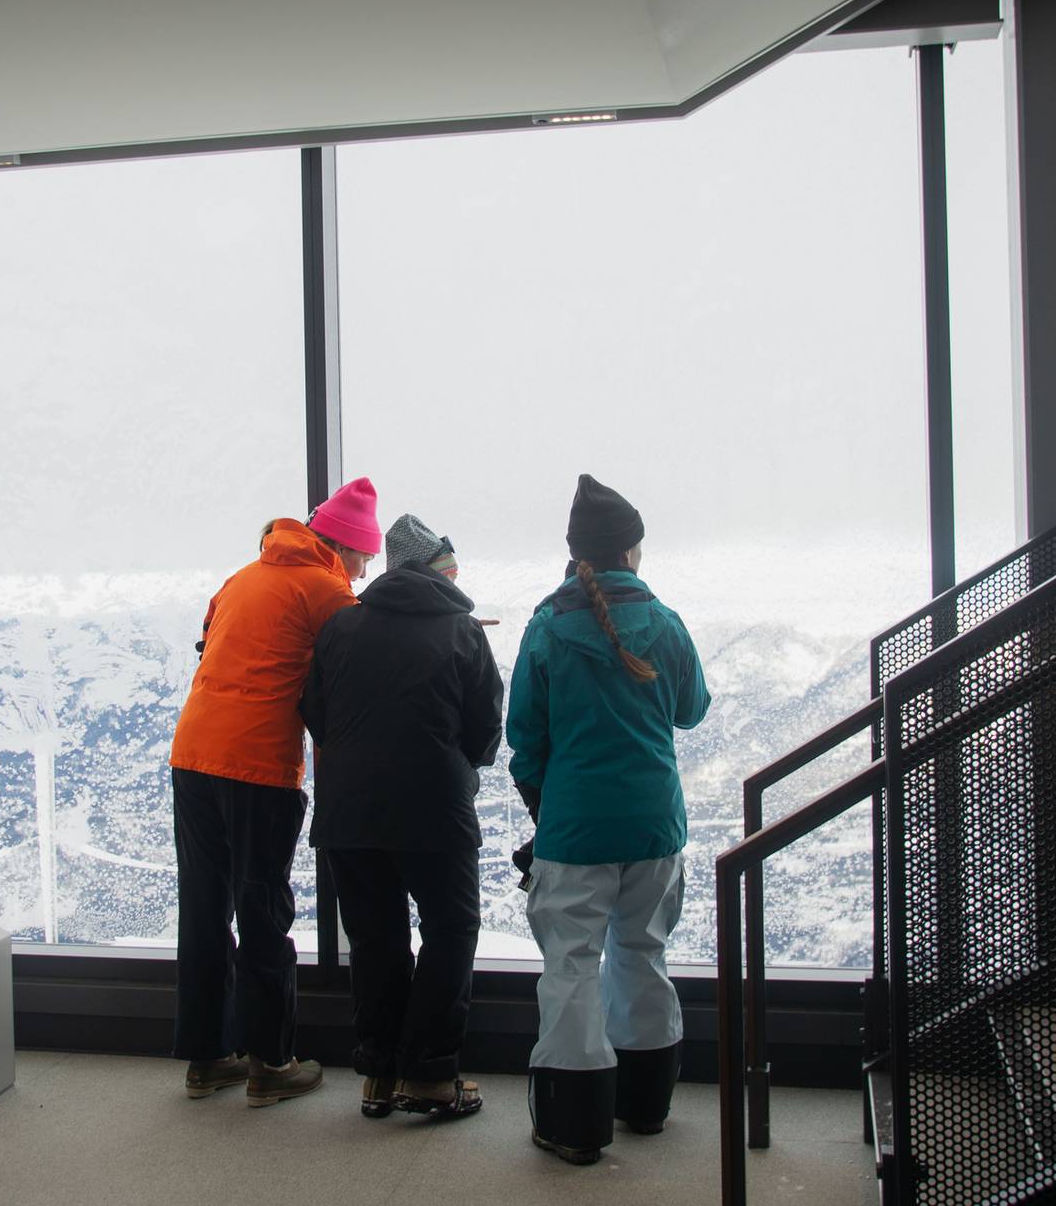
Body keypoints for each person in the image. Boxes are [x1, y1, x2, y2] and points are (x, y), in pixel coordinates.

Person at [507, 474, 711, 1164]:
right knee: (642, 953)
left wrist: (546, 804)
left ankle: (575, 1124)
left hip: (576, 830)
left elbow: (524, 737)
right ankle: (646, 1103)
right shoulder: (665, 623)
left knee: (570, 965)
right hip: (654, 825)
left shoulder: (546, 629)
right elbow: (691, 709)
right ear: (631, 551)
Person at [169, 476, 381, 1107]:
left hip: (192, 753)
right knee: (262, 909)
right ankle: (271, 1062)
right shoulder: (326, 590)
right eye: (365, 558)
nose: (365, 572)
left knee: (204, 906)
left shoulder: (242, 577)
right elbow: (371, 656)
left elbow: (209, 645)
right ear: (341, 548)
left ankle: (207, 1058)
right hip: (256, 766)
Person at [301, 514, 503, 1120]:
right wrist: (454, 769)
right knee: (450, 929)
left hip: (349, 813)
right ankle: (431, 1076)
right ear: (439, 571)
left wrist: (355, 765)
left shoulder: (341, 625)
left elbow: (314, 709)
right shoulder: (462, 631)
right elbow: (486, 729)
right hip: (434, 810)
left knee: (375, 940)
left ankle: (379, 1075)